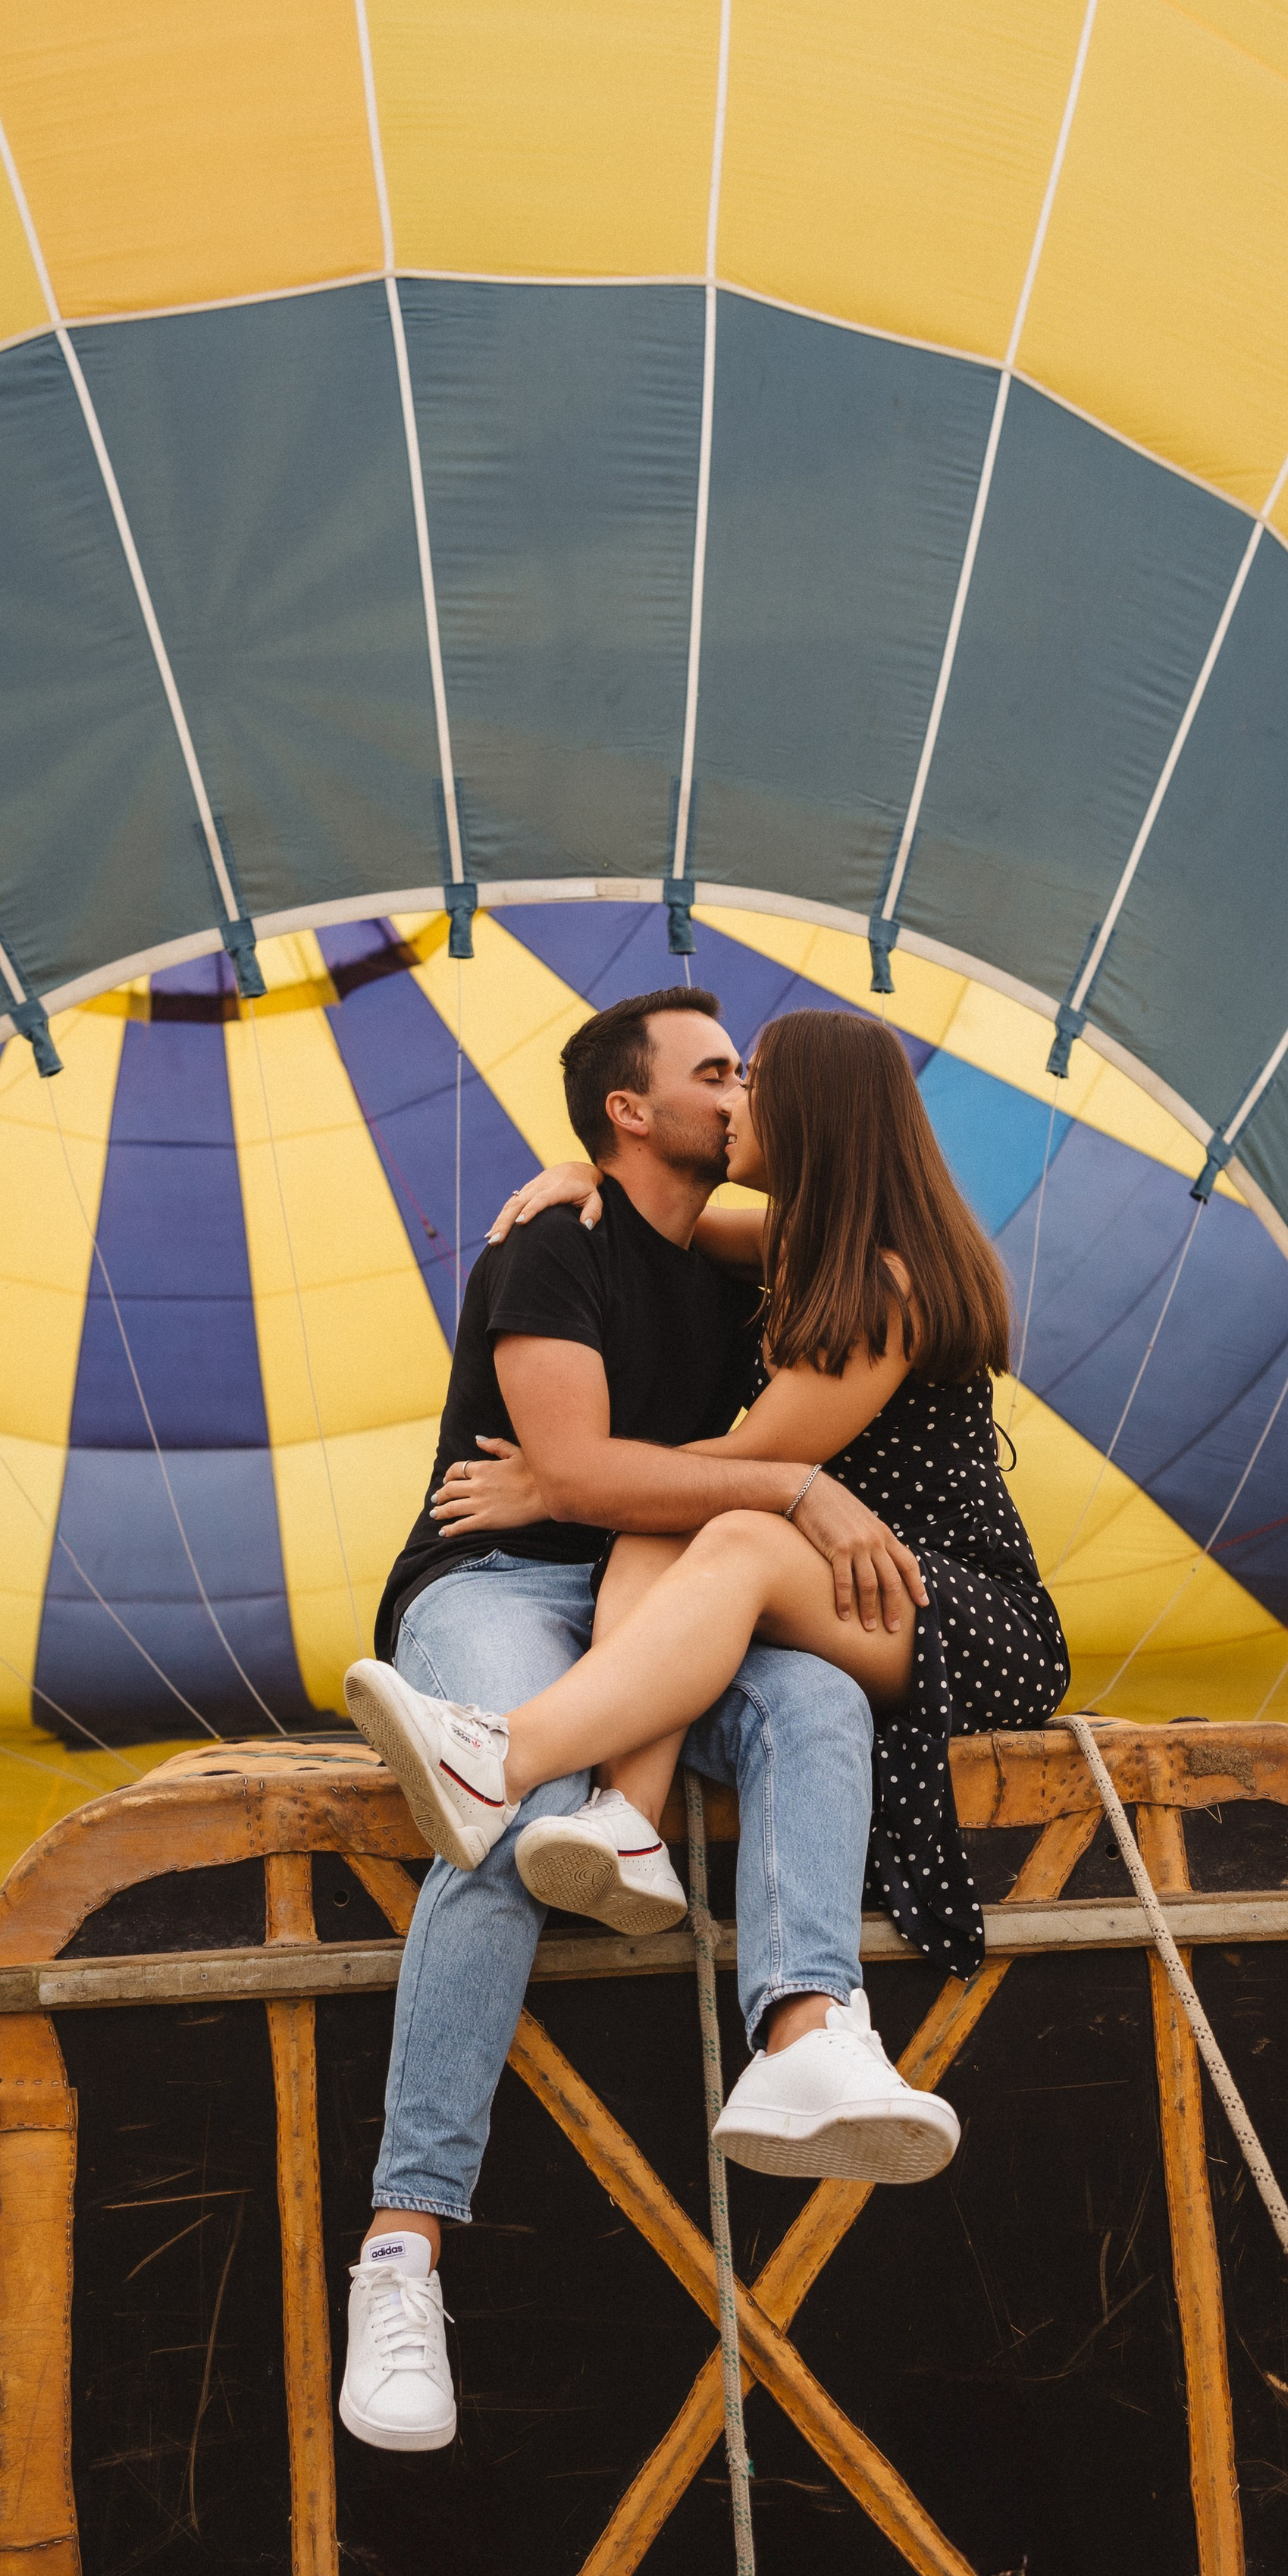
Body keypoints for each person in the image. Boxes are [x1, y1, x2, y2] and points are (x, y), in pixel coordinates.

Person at [337, 987, 960, 2457]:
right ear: (631, 1110)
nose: (743, 1092)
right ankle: (401, 2248)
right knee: (511, 1817)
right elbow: (574, 1470)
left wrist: (744, 1486)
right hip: (499, 1579)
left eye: (747, 1071)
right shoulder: (549, 1246)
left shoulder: (756, 1265)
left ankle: (807, 2028)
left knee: (814, 1693)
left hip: (666, 1604)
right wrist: (782, 1489)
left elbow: (664, 1478)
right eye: (715, 1071)